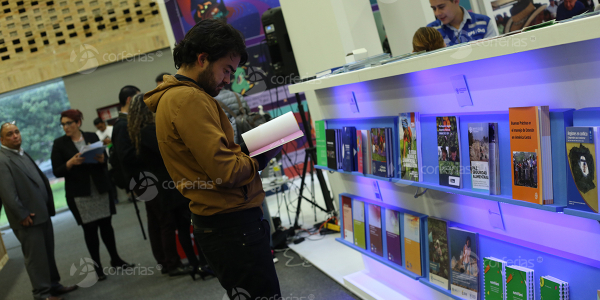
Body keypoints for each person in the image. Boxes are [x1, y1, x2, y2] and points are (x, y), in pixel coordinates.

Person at [144, 19, 282, 299]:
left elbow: (210, 159)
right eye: (226, 70)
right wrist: (262, 155)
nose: (229, 79)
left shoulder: (178, 97)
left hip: (223, 224)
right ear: (203, 58)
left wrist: (241, 147)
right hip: (232, 226)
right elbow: (227, 171)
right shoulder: (189, 100)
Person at [126, 94, 205, 278]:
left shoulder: (138, 132)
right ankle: (200, 263)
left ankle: (195, 265)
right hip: (170, 183)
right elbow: (169, 151)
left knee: (182, 227)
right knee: (189, 223)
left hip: (163, 184)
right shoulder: (149, 131)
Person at [51, 109, 133, 281]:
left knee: (106, 226)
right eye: (63, 124)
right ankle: (97, 267)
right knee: (90, 230)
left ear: (78, 123)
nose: (65, 127)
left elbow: (104, 159)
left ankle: (116, 259)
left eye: (69, 123)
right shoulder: (59, 144)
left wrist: (102, 160)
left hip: (99, 188)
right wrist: (70, 163)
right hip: (80, 193)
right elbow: (57, 171)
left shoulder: (91, 137)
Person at [0, 122, 78, 300]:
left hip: (41, 214)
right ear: (1, 139)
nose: (15, 136)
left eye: (17, 132)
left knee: (47, 254)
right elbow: (7, 193)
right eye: (10, 134)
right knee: (36, 259)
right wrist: (22, 214)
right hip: (27, 219)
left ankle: (53, 286)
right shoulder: (2, 160)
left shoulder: (20, 153)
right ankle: (42, 294)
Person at [427, 0, 497, 46]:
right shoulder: (430, 32)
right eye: (434, 8)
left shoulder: (484, 22)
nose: (437, 13)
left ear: (456, 1)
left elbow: (494, 54)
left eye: (441, 7)